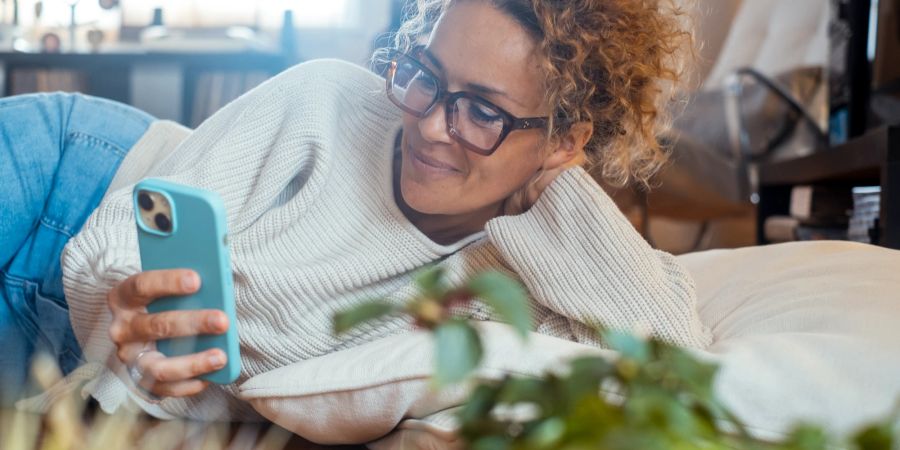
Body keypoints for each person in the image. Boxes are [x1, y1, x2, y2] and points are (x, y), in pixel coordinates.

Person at [0, 0, 711, 417]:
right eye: (427, 77)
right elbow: (120, 238)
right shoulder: (330, 98)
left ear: (565, 141)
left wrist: (559, 188)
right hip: (68, 181)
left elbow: (677, 354)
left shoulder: (525, 273)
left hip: (78, 357)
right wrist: (124, 304)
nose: (432, 124)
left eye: (481, 112)